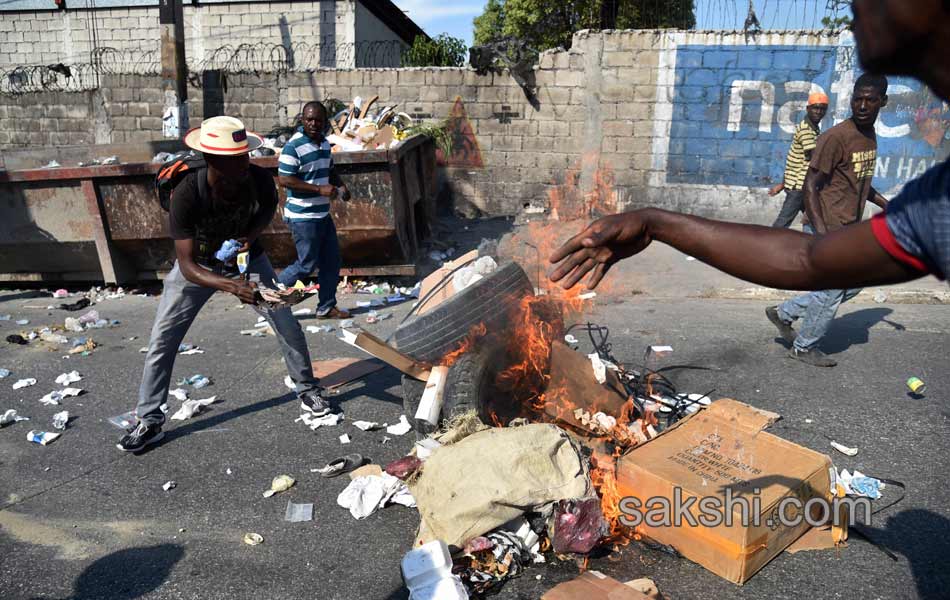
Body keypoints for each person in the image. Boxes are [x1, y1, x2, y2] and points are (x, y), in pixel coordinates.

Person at [549, 0, 949, 340]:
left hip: (840, 224)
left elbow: (814, 257)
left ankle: (794, 322)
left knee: (839, 286)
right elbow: (809, 257)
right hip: (825, 220)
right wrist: (654, 223)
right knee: (832, 282)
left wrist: (875, 203)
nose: (854, 5)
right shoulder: (934, 206)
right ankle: (802, 336)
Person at [117, 116, 331, 453]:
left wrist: (249, 237)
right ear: (213, 160)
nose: (244, 163)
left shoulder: (258, 179)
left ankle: (307, 388)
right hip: (199, 267)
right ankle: (150, 420)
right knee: (162, 340)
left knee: (286, 324)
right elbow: (186, 265)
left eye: (245, 155)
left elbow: (267, 210)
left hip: (249, 262)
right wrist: (233, 287)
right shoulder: (187, 194)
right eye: (235, 159)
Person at [763, 74, 890, 367]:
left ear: (882, 102)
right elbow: (810, 185)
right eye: (857, 98)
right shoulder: (835, 137)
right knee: (833, 288)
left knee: (854, 284)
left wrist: (887, 204)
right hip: (827, 225)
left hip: (848, 227)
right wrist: (821, 233)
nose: (862, 105)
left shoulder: (869, 136)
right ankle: (804, 347)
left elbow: (859, 182)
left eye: (870, 100)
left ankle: (784, 313)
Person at [276, 101, 352, 319]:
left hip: (321, 214)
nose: (313, 123)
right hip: (302, 216)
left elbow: (329, 170)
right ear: (302, 120)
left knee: (331, 261)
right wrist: (319, 189)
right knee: (306, 265)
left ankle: (326, 307)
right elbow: (285, 180)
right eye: (309, 119)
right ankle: (267, 301)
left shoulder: (325, 144)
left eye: (318, 120)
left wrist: (341, 186)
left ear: (324, 122)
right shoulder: (294, 146)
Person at [768, 92, 829, 228]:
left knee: (813, 218)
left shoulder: (813, 127)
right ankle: (765, 244)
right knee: (783, 223)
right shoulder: (806, 130)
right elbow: (815, 158)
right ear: (808, 109)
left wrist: (781, 185)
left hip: (802, 184)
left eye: (822, 108)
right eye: (815, 108)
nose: (818, 111)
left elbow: (795, 160)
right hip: (799, 187)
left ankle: (813, 243)